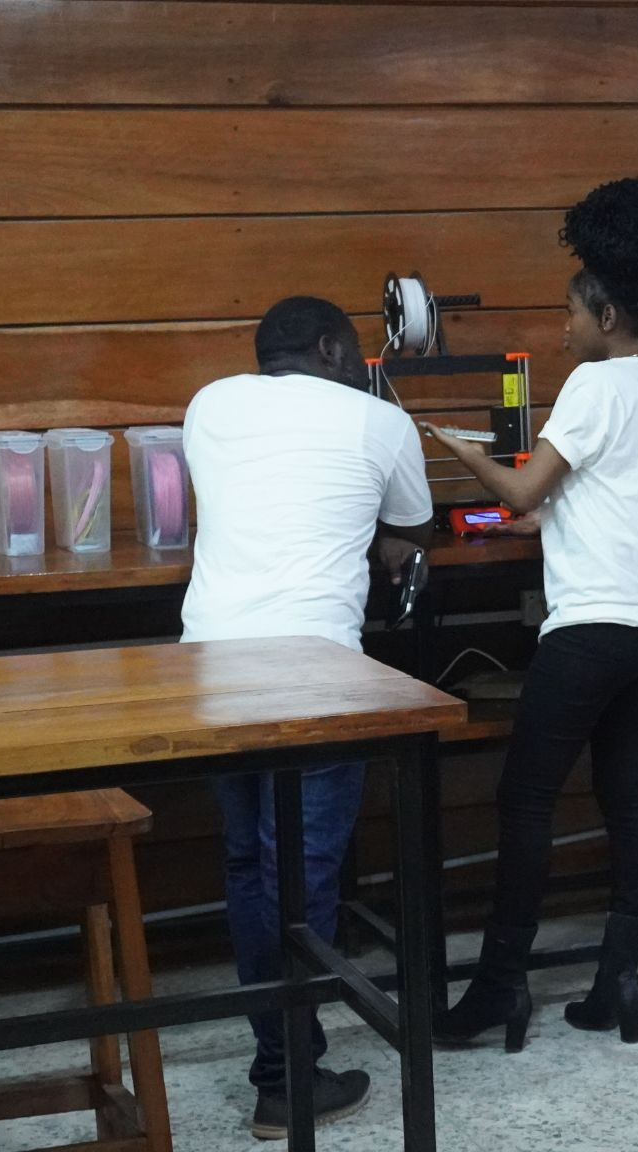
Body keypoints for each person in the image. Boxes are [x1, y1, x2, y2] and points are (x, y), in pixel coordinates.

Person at [424, 177, 638, 1051]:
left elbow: (519, 495)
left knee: (525, 798)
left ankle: (499, 988)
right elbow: (605, 501)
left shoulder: (593, 385)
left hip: (593, 625)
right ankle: (617, 975)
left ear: (609, 313)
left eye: (572, 312)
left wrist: (460, 448)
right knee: (627, 796)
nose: (563, 327)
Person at [181, 294, 434, 1139]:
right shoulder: (376, 420)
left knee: (252, 865)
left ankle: (278, 1062)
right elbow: (409, 527)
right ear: (330, 347)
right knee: (305, 872)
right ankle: (287, 1078)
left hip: (210, 661)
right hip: (316, 670)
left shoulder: (208, 405)